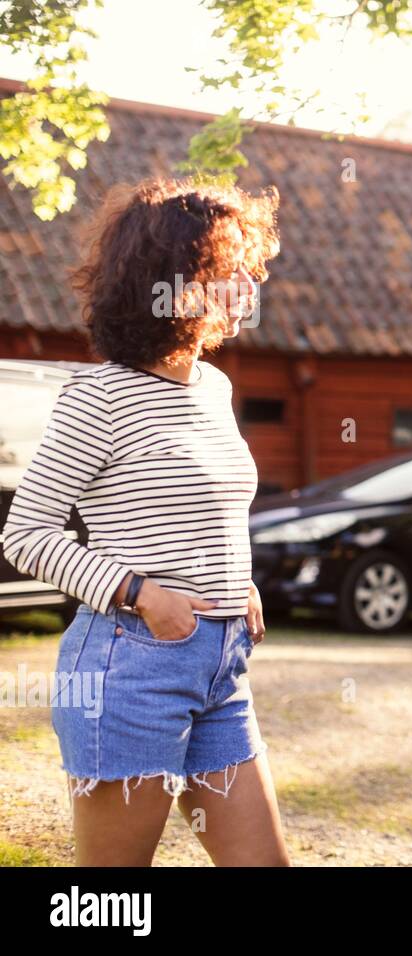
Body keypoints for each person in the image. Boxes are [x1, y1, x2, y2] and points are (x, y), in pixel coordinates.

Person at [1, 178, 290, 866]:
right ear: (178, 282)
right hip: (129, 666)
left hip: (222, 668)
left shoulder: (213, 388)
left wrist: (234, 581)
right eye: (232, 270)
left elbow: (204, 506)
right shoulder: (98, 397)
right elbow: (26, 532)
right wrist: (142, 594)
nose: (251, 283)